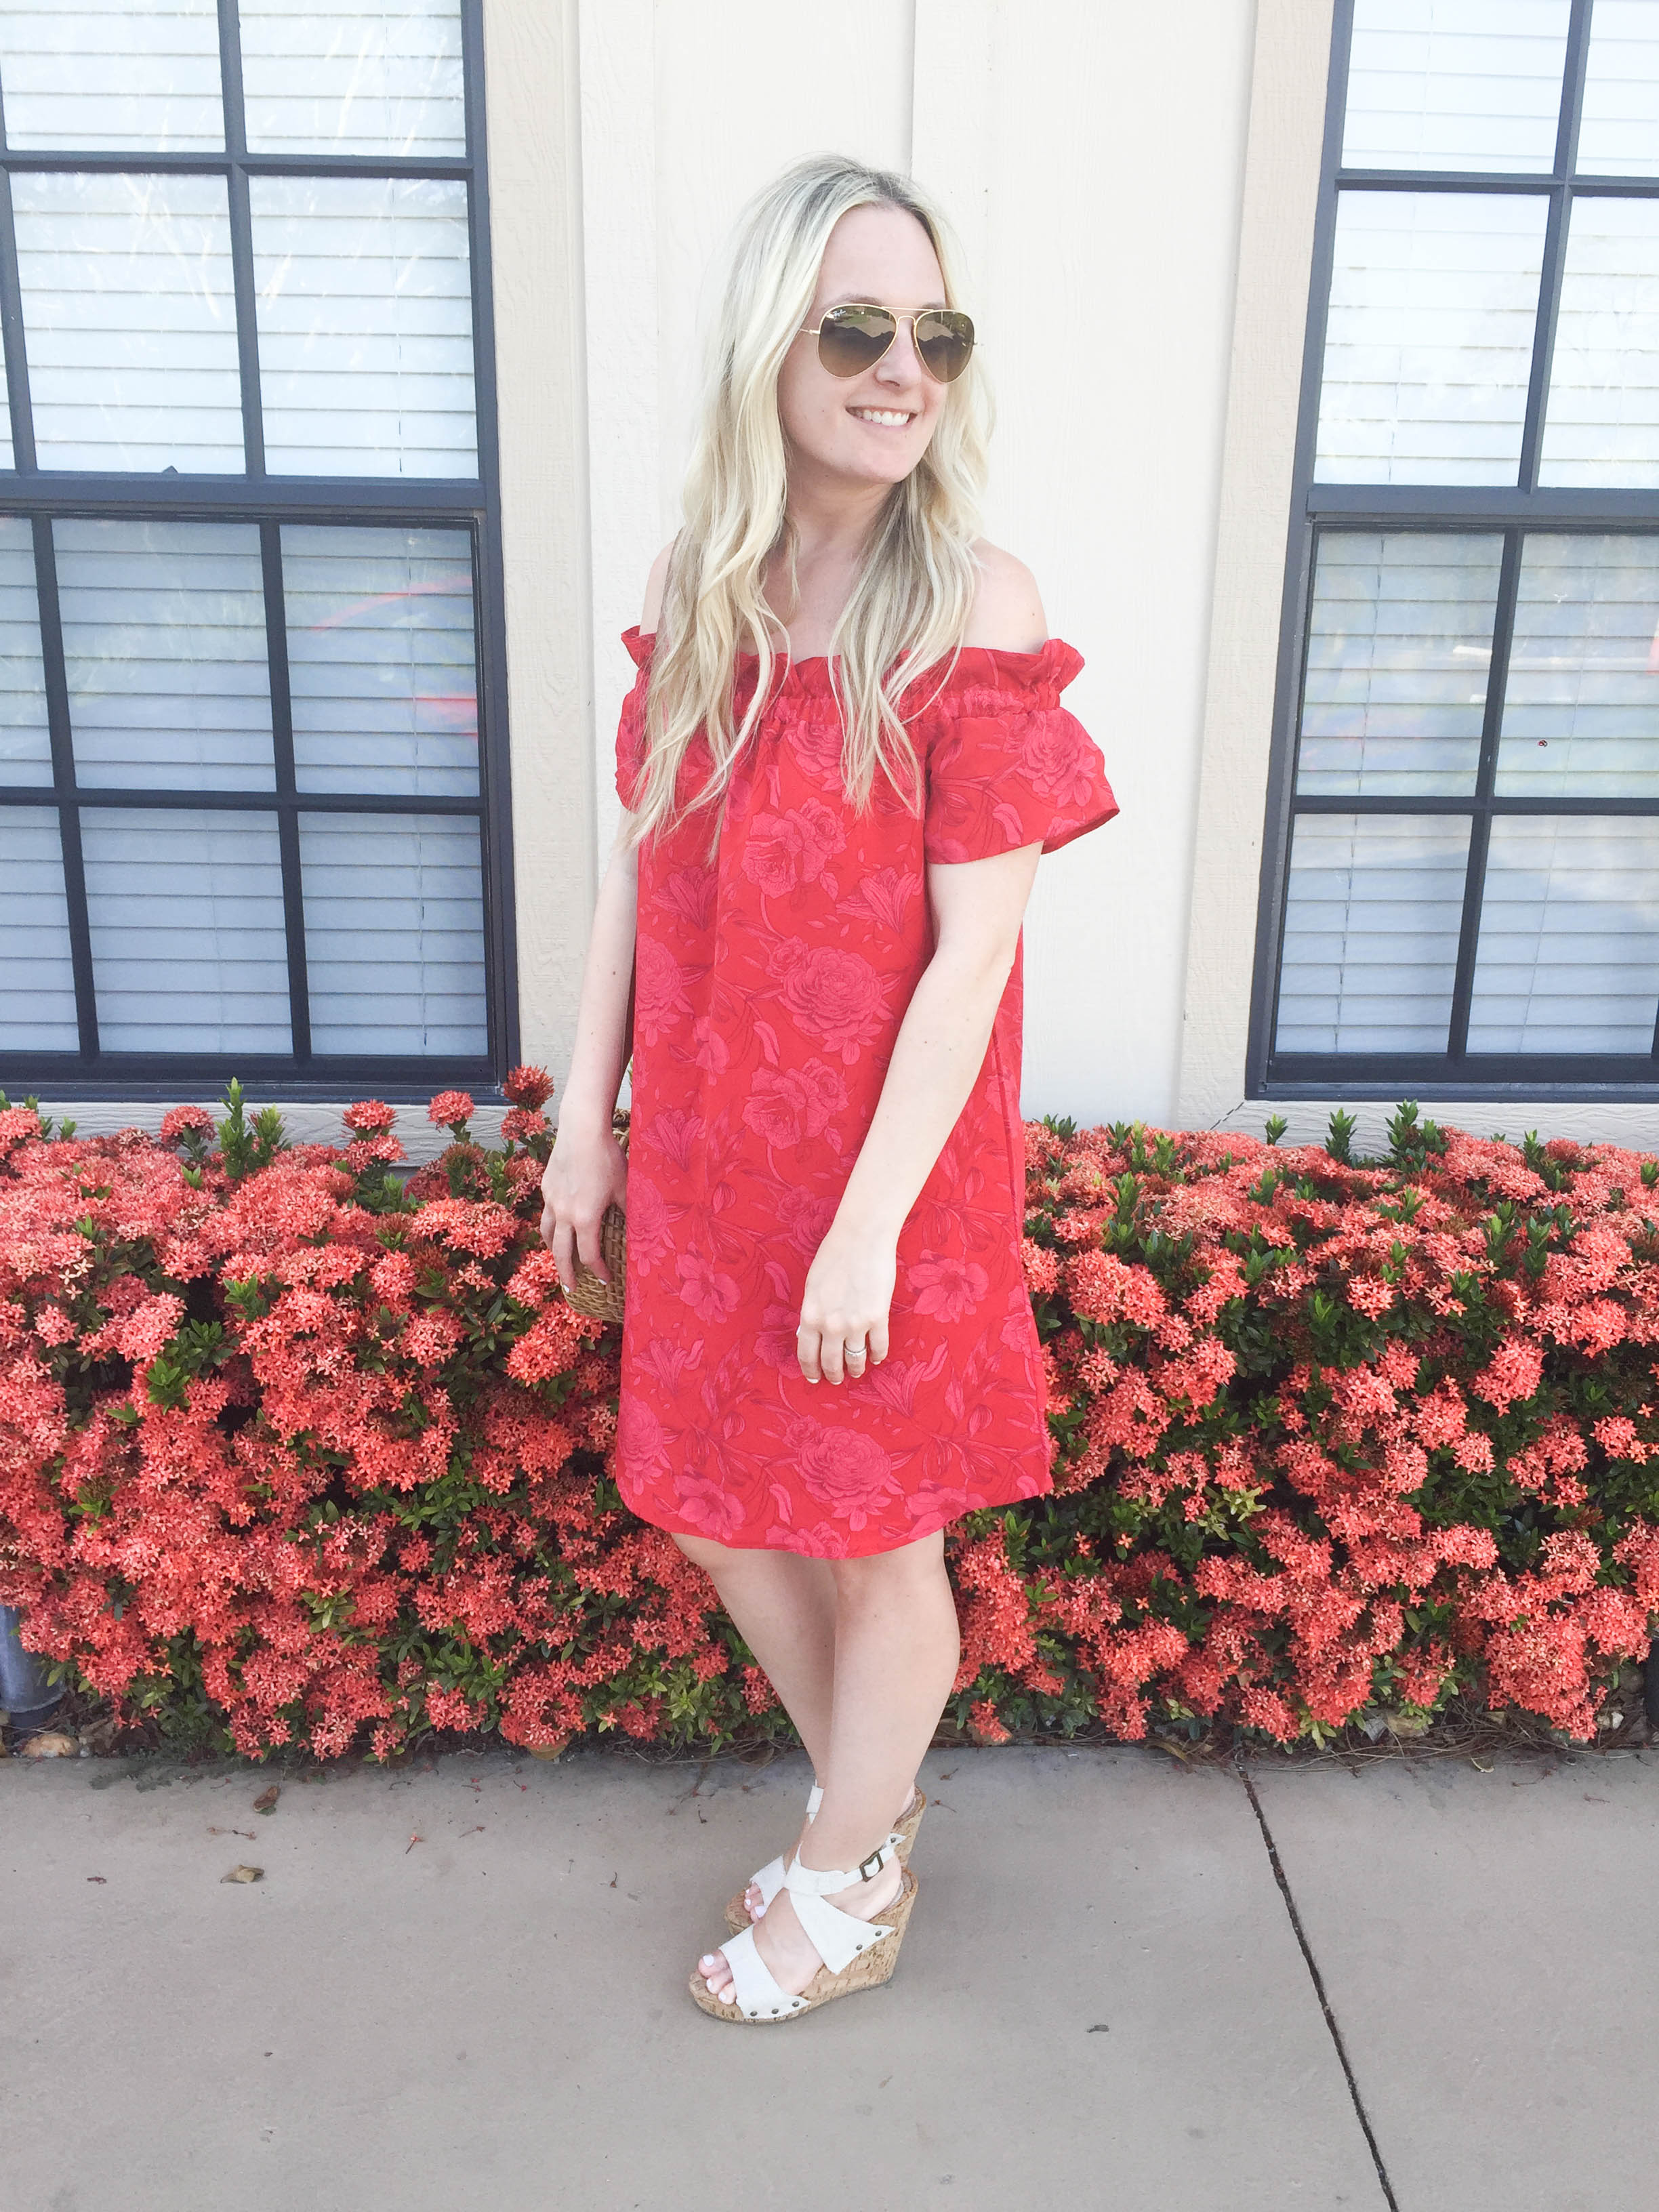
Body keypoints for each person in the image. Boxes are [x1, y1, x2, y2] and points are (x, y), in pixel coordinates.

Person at [541, 154, 1116, 2024]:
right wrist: (583, 1125)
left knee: (880, 1545)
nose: (902, 370)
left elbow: (977, 957)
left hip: (896, 1177)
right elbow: (645, 862)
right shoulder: (697, 589)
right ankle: (865, 1815)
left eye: (933, 333)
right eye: (858, 327)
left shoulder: (977, 604)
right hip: (712, 1157)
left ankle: (848, 1870)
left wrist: (870, 1226)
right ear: (767, 344)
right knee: (719, 1507)